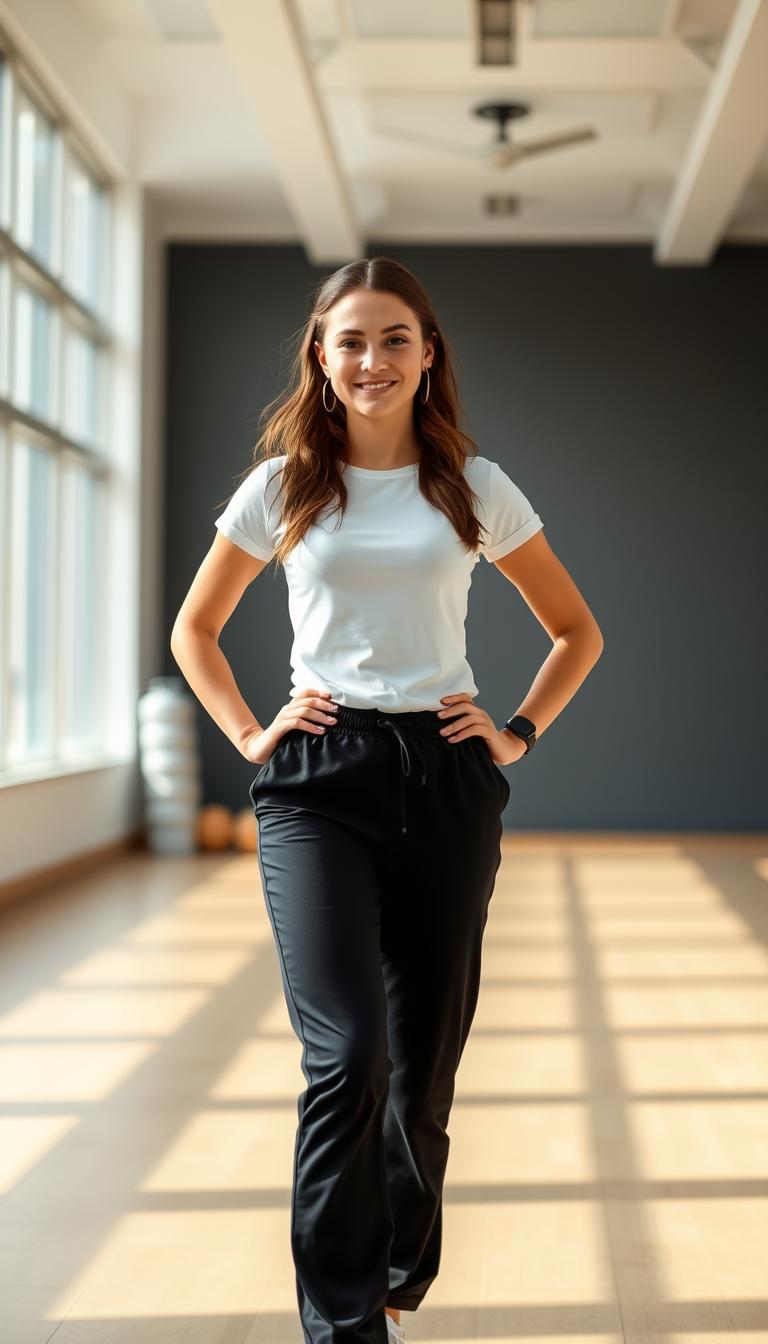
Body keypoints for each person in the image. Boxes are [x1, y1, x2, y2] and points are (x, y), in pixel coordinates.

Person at [170, 255, 604, 1344]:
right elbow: (196, 630)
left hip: (446, 778)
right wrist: (250, 734)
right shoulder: (281, 486)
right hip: (318, 784)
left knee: (420, 1078)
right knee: (346, 1055)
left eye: (394, 338)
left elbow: (576, 632)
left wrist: (514, 732)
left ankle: (400, 1267)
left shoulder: (472, 486)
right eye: (351, 339)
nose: (372, 359)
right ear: (320, 356)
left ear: (427, 354)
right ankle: (344, 1320)